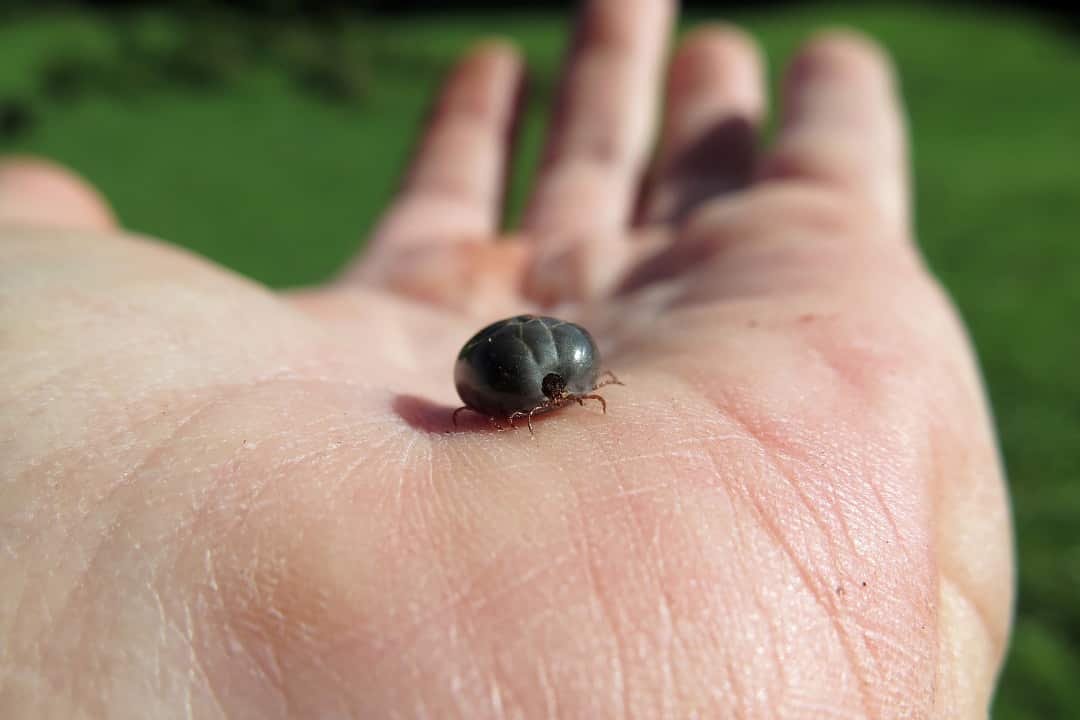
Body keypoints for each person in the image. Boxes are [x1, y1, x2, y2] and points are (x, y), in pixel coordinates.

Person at [0, 0, 1013, 716]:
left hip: (504, 371)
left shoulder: (552, 367)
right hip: (507, 370)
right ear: (560, 386)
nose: (575, 394)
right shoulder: (555, 371)